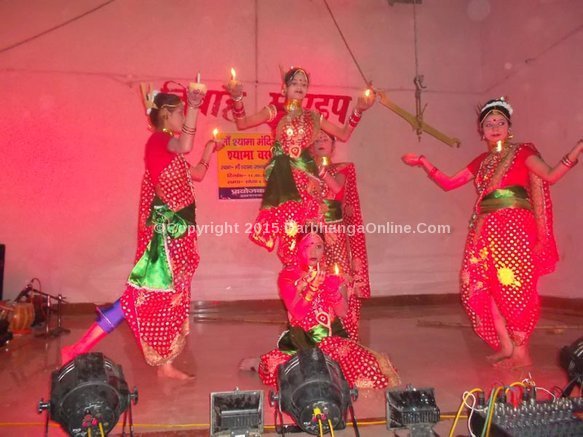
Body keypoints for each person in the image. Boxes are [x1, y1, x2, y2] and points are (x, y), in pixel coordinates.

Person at [402, 97, 583, 369]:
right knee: (484, 288)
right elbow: (450, 183)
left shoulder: (522, 153)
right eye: (489, 123)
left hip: (514, 231)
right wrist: (423, 162)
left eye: (500, 122)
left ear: (509, 127)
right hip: (485, 231)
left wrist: (577, 149)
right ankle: (506, 346)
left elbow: (551, 175)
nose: (495, 127)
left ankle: (522, 353)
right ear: (481, 131)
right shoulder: (481, 161)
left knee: (514, 289)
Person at [61, 86, 224, 379]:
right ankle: (76, 349)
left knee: (165, 300)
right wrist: (196, 107)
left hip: (177, 236)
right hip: (163, 240)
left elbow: (195, 173)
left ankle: (166, 366)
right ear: (166, 114)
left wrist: (210, 149)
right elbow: (185, 146)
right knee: (135, 300)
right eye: (180, 113)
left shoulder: (168, 149)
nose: (183, 118)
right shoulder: (158, 142)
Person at [224, 67, 375, 262]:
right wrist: (237, 98)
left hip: (310, 183)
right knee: (290, 238)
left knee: (313, 237)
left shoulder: (313, 117)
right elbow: (243, 123)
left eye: (304, 84)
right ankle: (295, 285)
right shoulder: (274, 111)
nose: (299, 87)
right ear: (283, 88)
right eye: (295, 83)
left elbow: (343, 134)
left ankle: (312, 286)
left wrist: (358, 110)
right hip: (286, 184)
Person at [258, 229, 400, 389]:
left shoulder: (332, 274)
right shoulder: (288, 276)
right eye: (307, 246)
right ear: (298, 248)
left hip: (332, 339)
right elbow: (297, 313)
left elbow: (343, 312)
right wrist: (312, 288)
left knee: (368, 374)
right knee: (278, 371)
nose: (313, 252)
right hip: (302, 340)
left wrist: (333, 291)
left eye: (319, 246)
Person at [308, 131, 371, 341]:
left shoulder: (343, 169)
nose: (321, 142)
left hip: (334, 232)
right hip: (311, 233)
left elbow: (338, 191)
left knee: (338, 277)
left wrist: (322, 173)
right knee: (312, 278)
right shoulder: (302, 171)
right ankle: (315, 330)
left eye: (325, 139)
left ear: (333, 146)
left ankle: (343, 331)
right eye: (316, 139)